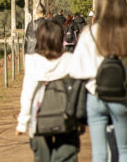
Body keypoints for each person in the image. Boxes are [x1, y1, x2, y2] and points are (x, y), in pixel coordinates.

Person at [69, 0, 127, 162]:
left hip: (95, 95)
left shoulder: (90, 33)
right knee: (125, 149)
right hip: (122, 93)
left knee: (99, 152)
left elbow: (76, 70)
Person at [16, 20, 83, 161]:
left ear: (40, 39)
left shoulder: (32, 61)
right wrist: (81, 119)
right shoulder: (70, 60)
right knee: (66, 157)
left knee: (42, 158)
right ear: (61, 39)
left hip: (39, 118)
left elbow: (28, 93)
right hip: (67, 116)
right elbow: (78, 90)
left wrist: (22, 122)